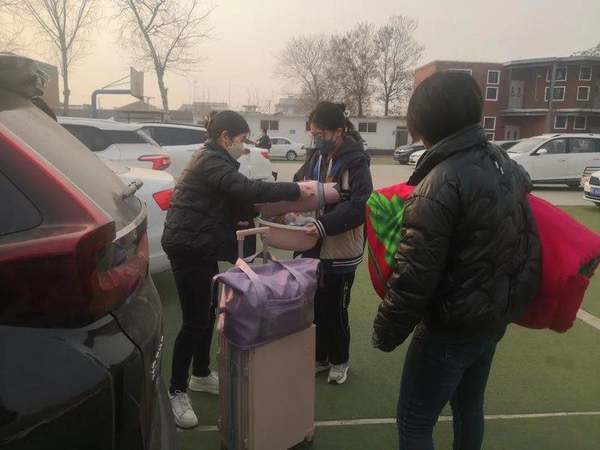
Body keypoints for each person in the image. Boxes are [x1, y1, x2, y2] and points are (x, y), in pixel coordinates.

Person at [372, 72, 540, 450]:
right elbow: (527, 236)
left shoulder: (439, 183)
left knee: (415, 422)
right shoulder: (503, 164)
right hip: (491, 320)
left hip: (449, 327)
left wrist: (386, 332)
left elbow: (414, 276)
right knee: (468, 407)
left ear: (425, 124)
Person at [161, 110, 313, 429]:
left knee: (207, 313)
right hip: (187, 246)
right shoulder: (211, 161)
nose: (244, 147)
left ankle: (200, 373)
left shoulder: (218, 160)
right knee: (194, 321)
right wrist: (295, 191)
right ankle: (176, 389)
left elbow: (242, 202)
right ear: (225, 137)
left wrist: (279, 214)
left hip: (201, 244)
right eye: (242, 140)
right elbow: (248, 191)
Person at [294, 101, 373, 385]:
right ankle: (320, 357)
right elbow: (298, 182)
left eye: (321, 134)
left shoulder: (356, 160)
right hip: (312, 242)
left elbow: (360, 204)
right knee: (315, 304)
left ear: (338, 132)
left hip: (340, 246)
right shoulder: (317, 155)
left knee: (336, 308)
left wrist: (323, 224)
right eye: (313, 134)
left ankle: (340, 360)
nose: (316, 139)